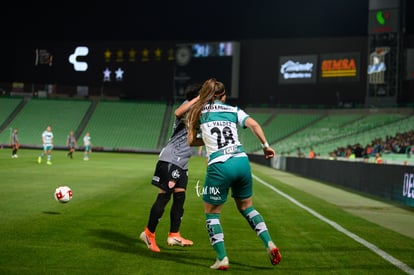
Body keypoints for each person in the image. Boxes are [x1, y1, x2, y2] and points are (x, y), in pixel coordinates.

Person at [186, 78, 282, 270]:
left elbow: (191, 142)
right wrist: (266, 146)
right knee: (247, 207)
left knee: (212, 213)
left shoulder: (197, 112)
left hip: (219, 166)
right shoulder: (233, 110)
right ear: (224, 96)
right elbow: (254, 125)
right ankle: (269, 243)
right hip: (241, 161)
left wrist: (207, 139)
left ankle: (222, 258)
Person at [139, 83, 201, 253]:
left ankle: (174, 234)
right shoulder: (186, 107)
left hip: (183, 162)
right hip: (171, 159)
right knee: (164, 196)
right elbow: (177, 112)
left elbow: (193, 140)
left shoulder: (198, 114)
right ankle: (148, 234)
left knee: (180, 198)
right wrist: (199, 98)